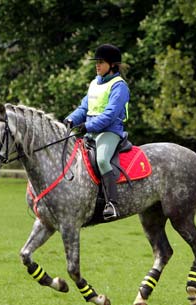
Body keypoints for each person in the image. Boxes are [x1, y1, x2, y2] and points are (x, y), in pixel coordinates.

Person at [64, 44, 130, 221]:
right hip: (91, 132)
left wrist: (87, 126)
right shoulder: (94, 83)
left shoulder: (119, 86)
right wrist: (71, 119)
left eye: (101, 62)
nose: (97, 66)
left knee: (101, 159)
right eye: (97, 62)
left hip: (110, 131)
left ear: (112, 65)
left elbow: (110, 115)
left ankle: (112, 204)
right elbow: (84, 107)